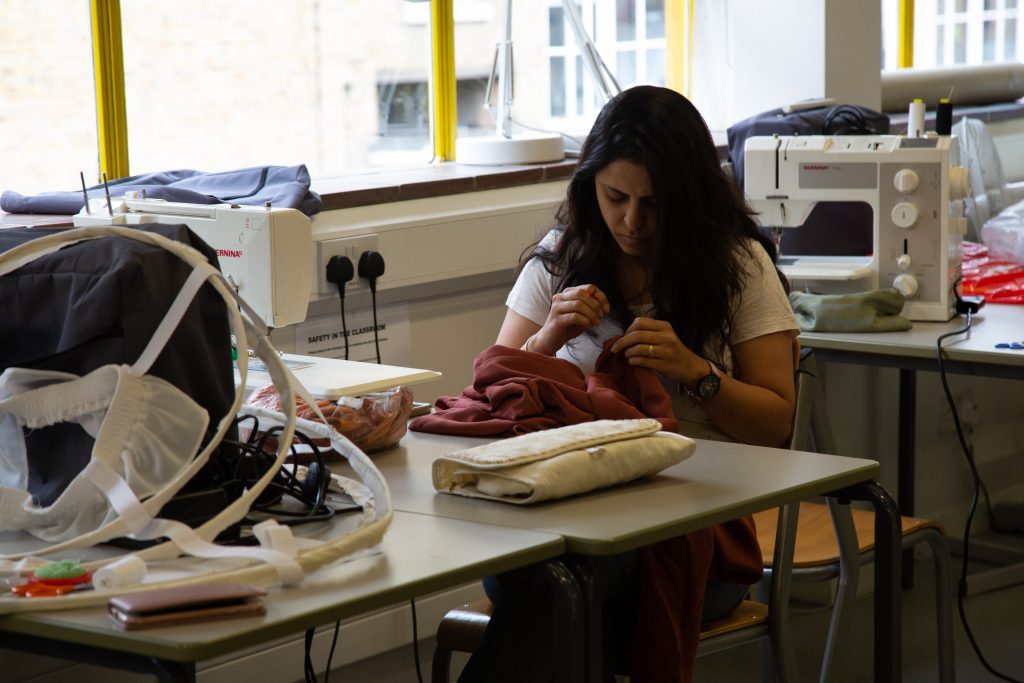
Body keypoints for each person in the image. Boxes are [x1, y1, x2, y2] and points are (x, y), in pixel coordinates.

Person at [459, 85, 799, 683]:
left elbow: (776, 425)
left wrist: (696, 372)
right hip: (569, 514)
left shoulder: (739, 266)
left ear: (688, 198)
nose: (632, 222)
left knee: (566, 594)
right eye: (615, 197)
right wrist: (546, 342)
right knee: (560, 584)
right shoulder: (563, 256)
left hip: (694, 537)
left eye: (653, 204)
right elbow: (489, 396)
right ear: (590, 184)